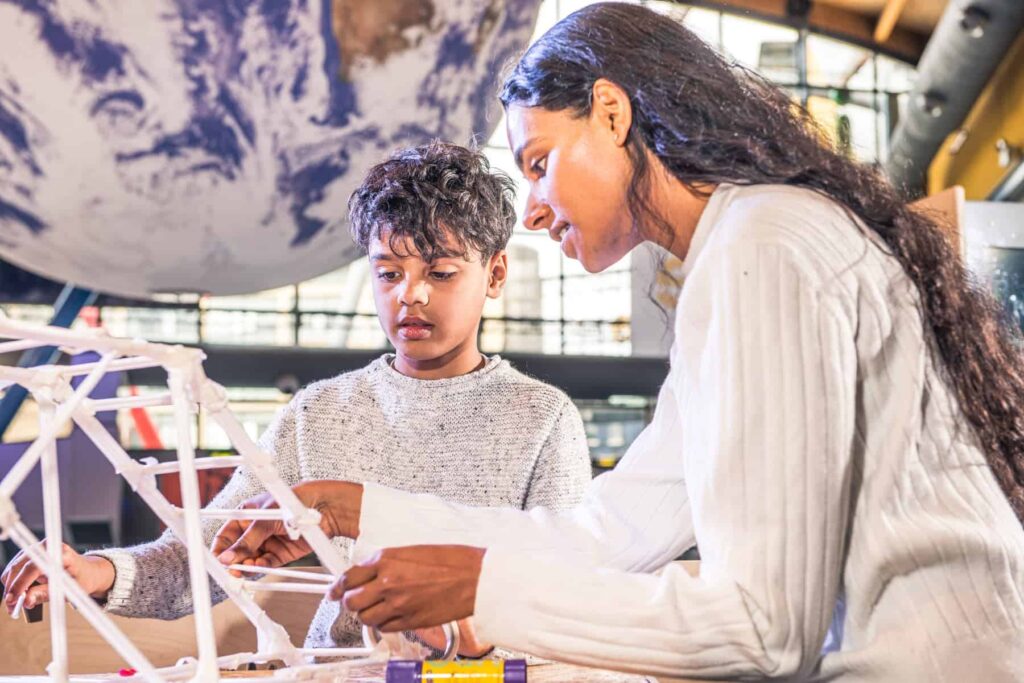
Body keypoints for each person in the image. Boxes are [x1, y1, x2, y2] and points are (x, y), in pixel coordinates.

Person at [209, 3, 1024, 681]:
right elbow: (610, 530)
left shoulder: (765, 243)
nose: (530, 208)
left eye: (538, 161)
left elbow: (762, 627)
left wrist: (480, 589)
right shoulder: (739, 251)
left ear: (612, 111)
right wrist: (364, 511)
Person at [0, 142, 592, 656]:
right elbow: (207, 558)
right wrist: (95, 571)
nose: (409, 296)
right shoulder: (319, 413)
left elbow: (568, 591)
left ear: (493, 274)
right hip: (338, 670)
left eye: (440, 274)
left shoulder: (542, 418)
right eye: (387, 273)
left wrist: (469, 634)